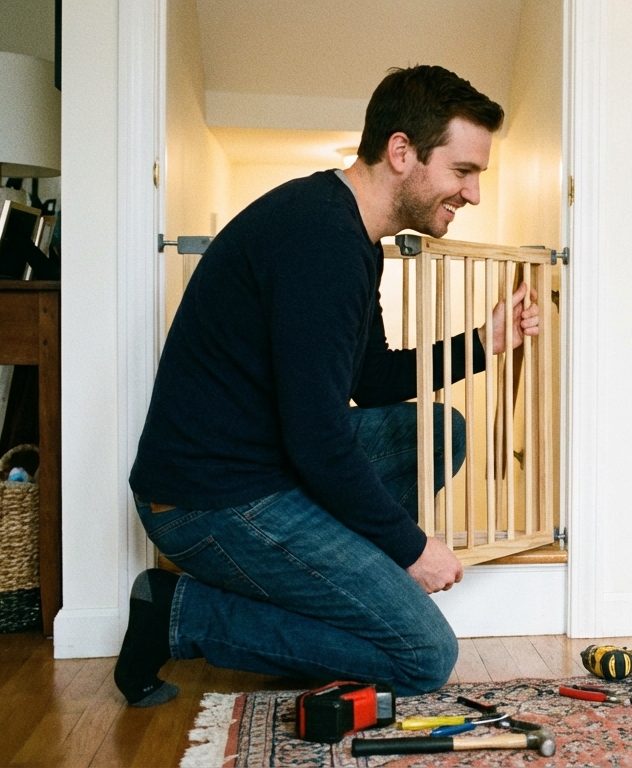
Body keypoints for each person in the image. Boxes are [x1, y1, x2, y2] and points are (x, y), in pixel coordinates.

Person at [115, 65, 539, 707]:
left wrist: (484, 341)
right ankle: (179, 614)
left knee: (436, 430)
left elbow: (371, 382)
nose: (473, 193)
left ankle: (345, 583)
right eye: (463, 171)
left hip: (266, 467)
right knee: (425, 655)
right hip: (208, 501)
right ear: (402, 152)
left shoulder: (351, 234)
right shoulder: (321, 241)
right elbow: (318, 440)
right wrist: (411, 547)